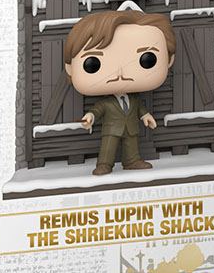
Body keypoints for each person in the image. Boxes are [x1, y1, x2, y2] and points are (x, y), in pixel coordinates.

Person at [64, 10, 175, 176]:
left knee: (132, 145)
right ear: (70, 68)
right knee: (108, 147)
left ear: (169, 59)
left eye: (147, 59)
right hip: (112, 129)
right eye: (93, 63)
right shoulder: (107, 102)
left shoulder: (133, 99)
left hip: (131, 127)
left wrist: (146, 116)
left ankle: (132, 161)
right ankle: (104, 164)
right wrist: (90, 116)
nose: (120, 73)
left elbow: (139, 107)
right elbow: (98, 110)